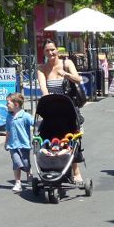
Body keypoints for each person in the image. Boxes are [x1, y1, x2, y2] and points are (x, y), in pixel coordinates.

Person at [37, 39, 85, 184]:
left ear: (57, 50)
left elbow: (78, 79)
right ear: (44, 52)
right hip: (52, 109)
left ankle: (76, 171)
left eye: (53, 49)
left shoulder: (67, 63)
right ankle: (51, 167)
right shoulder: (42, 68)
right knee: (49, 136)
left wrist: (66, 74)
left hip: (69, 108)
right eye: (47, 50)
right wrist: (48, 100)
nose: (50, 53)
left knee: (72, 138)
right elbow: (43, 89)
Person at [4, 92, 33, 193]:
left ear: (16, 104)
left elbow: (34, 123)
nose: (6, 105)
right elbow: (8, 131)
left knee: (25, 164)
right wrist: (6, 142)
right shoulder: (8, 117)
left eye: (8, 103)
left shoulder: (25, 116)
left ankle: (29, 173)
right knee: (16, 163)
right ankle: (18, 182)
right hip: (12, 145)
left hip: (24, 145)